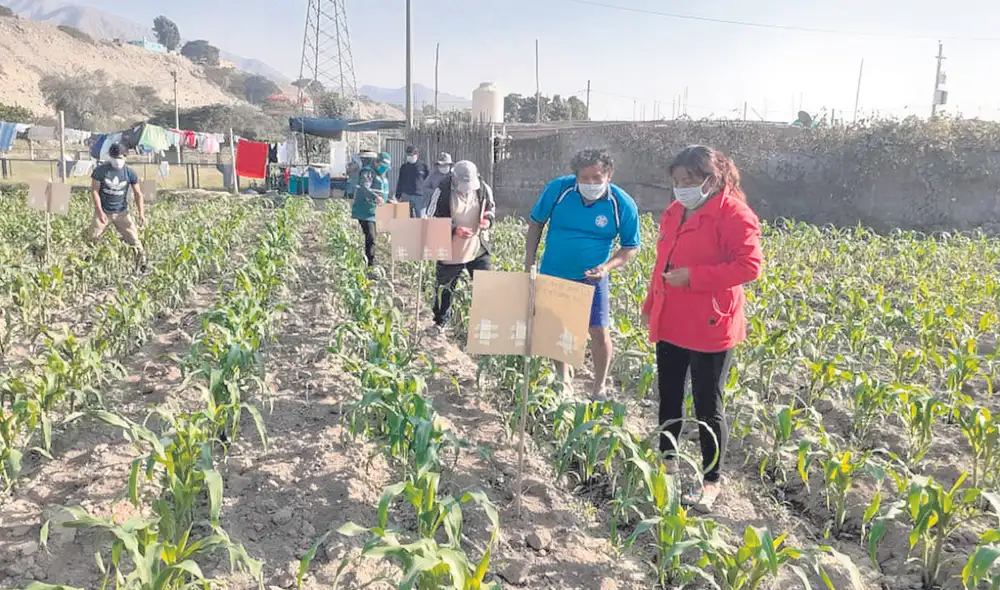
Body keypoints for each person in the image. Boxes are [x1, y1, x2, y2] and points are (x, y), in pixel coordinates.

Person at [641, 145, 763, 512]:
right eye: (677, 181)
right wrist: (650, 304)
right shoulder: (674, 212)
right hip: (672, 316)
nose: (682, 187)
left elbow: (750, 266)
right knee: (669, 394)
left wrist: (694, 277)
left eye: (690, 180)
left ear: (713, 178)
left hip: (711, 321)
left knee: (708, 404)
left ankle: (711, 481)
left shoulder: (734, 214)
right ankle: (668, 463)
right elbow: (662, 262)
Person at [524, 148, 640, 398]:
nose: (590, 183)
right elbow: (536, 223)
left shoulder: (621, 203)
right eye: (584, 178)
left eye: (597, 178)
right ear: (575, 176)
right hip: (554, 273)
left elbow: (630, 247)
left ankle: (599, 386)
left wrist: (606, 267)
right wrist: (529, 262)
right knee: (557, 329)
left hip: (592, 278)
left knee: (598, 331)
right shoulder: (559, 190)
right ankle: (563, 380)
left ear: (608, 175)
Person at [427, 160, 495, 335]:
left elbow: (490, 209)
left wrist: (487, 221)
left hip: (477, 247)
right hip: (451, 249)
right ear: (454, 179)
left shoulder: (483, 189)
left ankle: (484, 324)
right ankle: (440, 322)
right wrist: (454, 229)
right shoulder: (442, 191)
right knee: (445, 287)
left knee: (485, 285)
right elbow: (431, 218)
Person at [88, 142, 147, 270]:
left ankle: (142, 265)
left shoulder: (129, 173)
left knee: (134, 240)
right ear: (110, 156)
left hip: (122, 212)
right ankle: (88, 266)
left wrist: (141, 213)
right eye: (114, 157)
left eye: (120, 158)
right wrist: (100, 211)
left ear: (125, 157)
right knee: (92, 239)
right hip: (103, 212)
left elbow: (138, 194)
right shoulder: (100, 171)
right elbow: (94, 191)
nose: (117, 161)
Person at [351, 151, 393, 267]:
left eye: (386, 168)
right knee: (371, 237)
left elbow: (382, 194)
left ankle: (367, 260)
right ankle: (370, 264)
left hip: (375, 212)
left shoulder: (382, 176)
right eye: (383, 167)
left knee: (372, 238)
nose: (384, 169)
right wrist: (376, 197)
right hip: (365, 212)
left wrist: (389, 201)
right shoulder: (368, 172)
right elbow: (365, 188)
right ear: (376, 163)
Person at [396, 146, 430, 217]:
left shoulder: (423, 166)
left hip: (419, 196)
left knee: (421, 218)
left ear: (416, 155)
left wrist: (427, 194)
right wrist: (397, 195)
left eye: (411, 155)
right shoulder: (404, 167)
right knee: (405, 217)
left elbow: (428, 180)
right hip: (406, 195)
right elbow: (400, 181)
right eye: (408, 155)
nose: (409, 157)